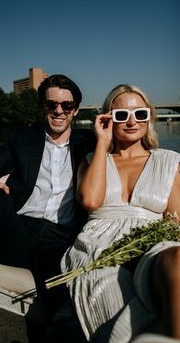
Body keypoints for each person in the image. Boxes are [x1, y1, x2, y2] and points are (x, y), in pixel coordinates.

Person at [0, 74, 96, 343]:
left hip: (60, 241)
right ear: (43, 106)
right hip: (19, 231)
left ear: (75, 110)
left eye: (66, 106)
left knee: (64, 308)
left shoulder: (90, 143)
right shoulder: (24, 139)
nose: (58, 111)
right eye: (51, 104)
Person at [46, 84, 180, 343]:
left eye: (140, 114)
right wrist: (102, 143)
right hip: (97, 247)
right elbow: (90, 201)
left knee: (176, 260)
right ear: (107, 119)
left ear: (149, 117)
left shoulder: (169, 161)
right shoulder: (93, 160)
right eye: (121, 115)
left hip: (151, 242)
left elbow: (175, 222)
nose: (131, 121)